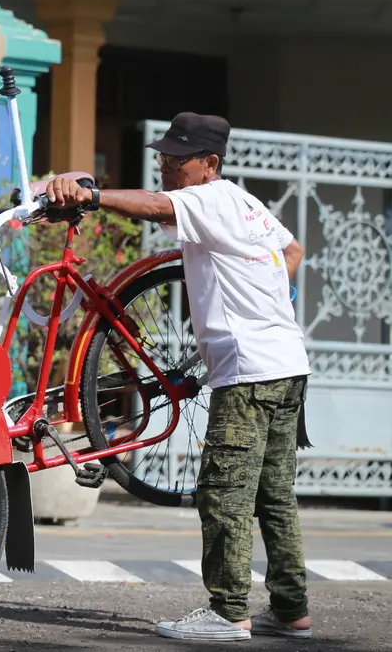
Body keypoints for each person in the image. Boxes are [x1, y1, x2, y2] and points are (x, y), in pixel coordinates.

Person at [42, 112, 313, 642]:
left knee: (223, 490)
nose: (165, 165)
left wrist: (91, 197)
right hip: (288, 365)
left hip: (251, 373)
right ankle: (290, 609)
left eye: (177, 159)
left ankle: (229, 612)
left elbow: (155, 205)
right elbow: (292, 251)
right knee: (273, 494)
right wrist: (271, 301)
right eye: (162, 156)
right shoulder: (243, 203)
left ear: (209, 164)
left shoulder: (208, 199)